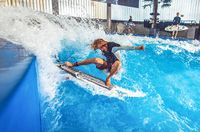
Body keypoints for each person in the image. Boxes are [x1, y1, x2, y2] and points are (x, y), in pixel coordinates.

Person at [63, 39, 144, 87]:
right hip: (107, 65)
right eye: (99, 48)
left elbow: (125, 47)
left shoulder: (113, 48)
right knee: (96, 60)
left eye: (101, 47)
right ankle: (73, 64)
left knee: (117, 63)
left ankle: (108, 79)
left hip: (115, 69)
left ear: (105, 44)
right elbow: (94, 46)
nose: (101, 49)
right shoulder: (103, 48)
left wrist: (138, 48)